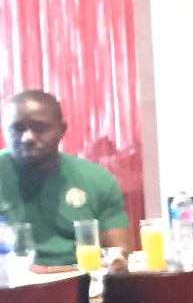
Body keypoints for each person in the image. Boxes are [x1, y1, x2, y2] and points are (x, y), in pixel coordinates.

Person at [0, 89, 131, 264]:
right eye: (17, 129)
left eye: (39, 128)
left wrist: (114, 262)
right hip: (11, 279)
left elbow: (118, 252)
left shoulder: (97, 179)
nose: (27, 137)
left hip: (82, 277)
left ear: (62, 129)